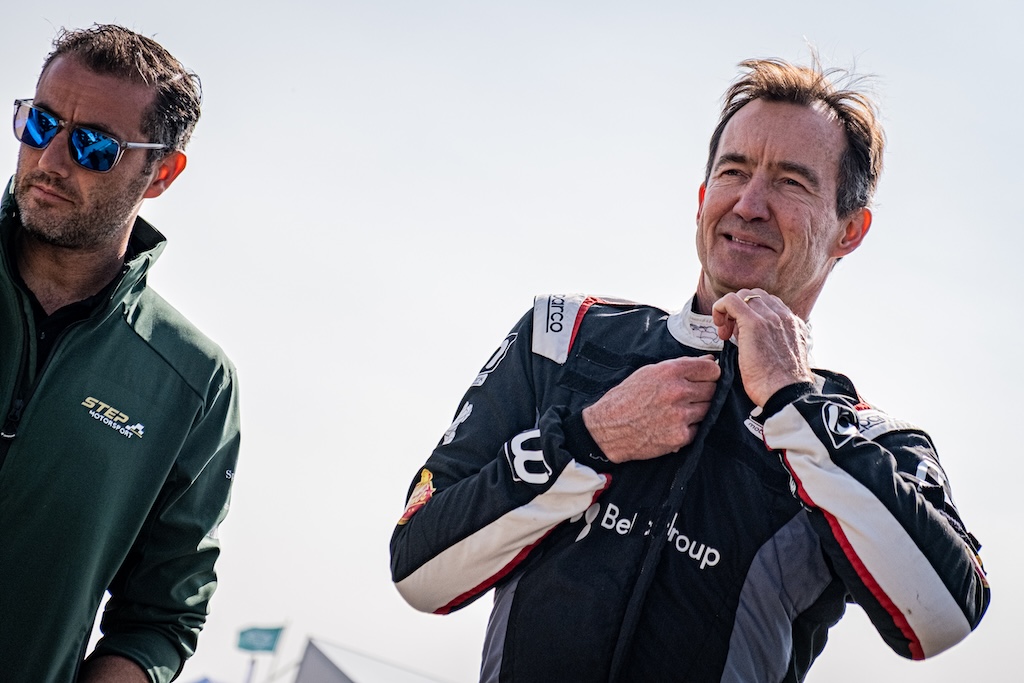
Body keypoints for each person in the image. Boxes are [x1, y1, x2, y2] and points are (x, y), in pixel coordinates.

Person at [390, 57, 990, 682]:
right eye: (733, 172)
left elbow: (943, 616)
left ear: (850, 230)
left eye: (791, 182)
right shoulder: (560, 337)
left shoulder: (868, 439)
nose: (749, 204)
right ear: (703, 199)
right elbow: (418, 570)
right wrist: (589, 441)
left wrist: (792, 404)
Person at [0, 25, 240, 682]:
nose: (51, 159)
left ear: (160, 173)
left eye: (94, 146)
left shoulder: (193, 382)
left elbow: (161, 617)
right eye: (39, 123)